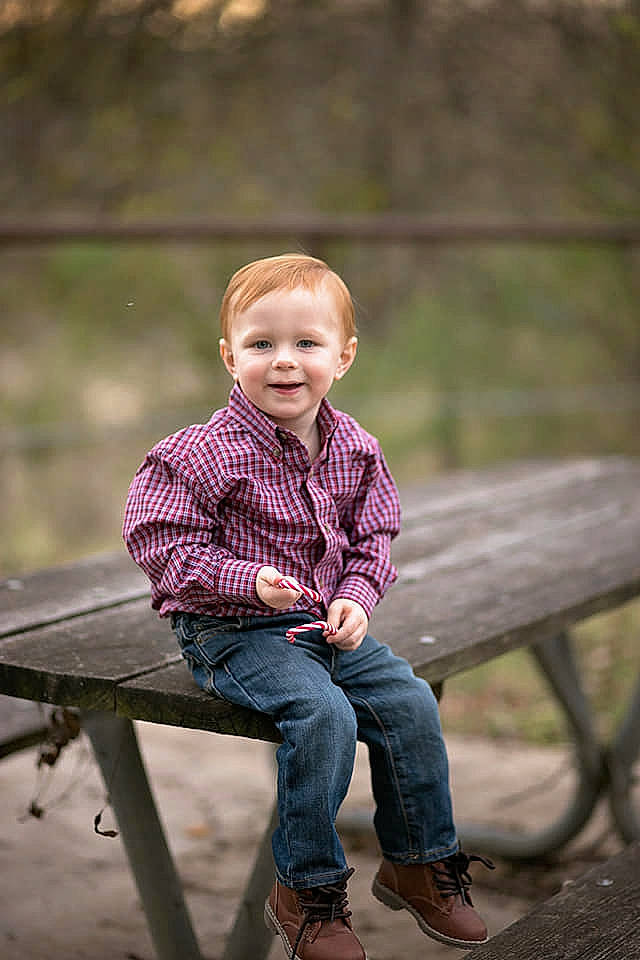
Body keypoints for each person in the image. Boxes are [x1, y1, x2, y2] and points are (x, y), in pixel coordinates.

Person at [123, 253, 492, 960]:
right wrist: (243, 580)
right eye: (262, 344)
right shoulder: (200, 454)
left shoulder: (354, 448)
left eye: (307, 343)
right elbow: (159, 539)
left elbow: (373, 536)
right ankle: (307, 891)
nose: (284, 362)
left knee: (410, 702)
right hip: (230, 630)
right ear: (230, 355)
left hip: (323, 625)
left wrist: (357, 597)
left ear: (343, 356)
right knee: (323, 714)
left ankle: (418, 862)